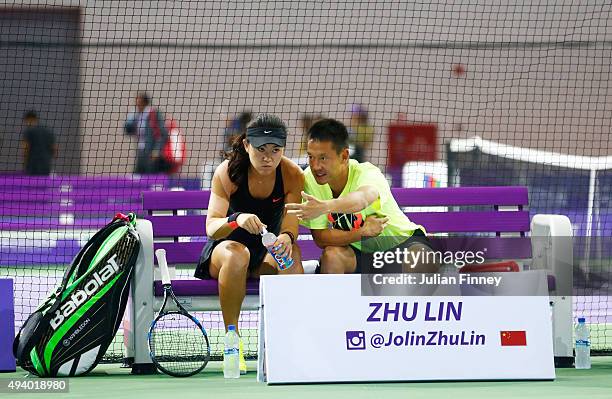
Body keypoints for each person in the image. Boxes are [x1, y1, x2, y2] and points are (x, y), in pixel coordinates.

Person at [195, 113, 304, 373]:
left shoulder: (291, 174)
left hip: (265, 252)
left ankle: (286, 341)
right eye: (261, 150)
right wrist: (236, 219)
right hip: (225, 252)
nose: (268, 157)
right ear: (246, 146)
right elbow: (212, 228)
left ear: (283, 149)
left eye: (275, 150)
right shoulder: (228, 173)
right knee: (237, 254)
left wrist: (286, 238)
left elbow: (291, 222)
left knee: (291, 258)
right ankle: (233, 340)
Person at [286, 118, 437, 274]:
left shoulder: (368, 173)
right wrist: (361, 233)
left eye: (323, 158)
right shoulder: (310, 180)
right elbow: (321, 238)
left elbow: (361, 199)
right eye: (311, 157)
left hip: (402, 245)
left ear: (344, 156)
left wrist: (325, 207)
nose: (316, 166)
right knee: (332, 255)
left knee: (421, 258)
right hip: (360, 253)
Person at [124, 92, 169, 174]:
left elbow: (163, 134)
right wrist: (129, 121)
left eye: (139, 101)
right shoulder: (136, 115)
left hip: (151, 152)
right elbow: (128, 131)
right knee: (137, 175)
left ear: (144, 102)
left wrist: (157, 150)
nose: (136, 104)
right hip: (140, 151)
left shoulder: (154, 114)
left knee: (150, 176)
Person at [21, 111, 56, 176]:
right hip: (46, 164)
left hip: (32, 165)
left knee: (31, 184)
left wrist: (24, 162)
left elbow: (26, 148)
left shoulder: (28, 131)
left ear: (29, 119)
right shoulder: (48, 131)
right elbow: (54, 148)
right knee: (44, 184)